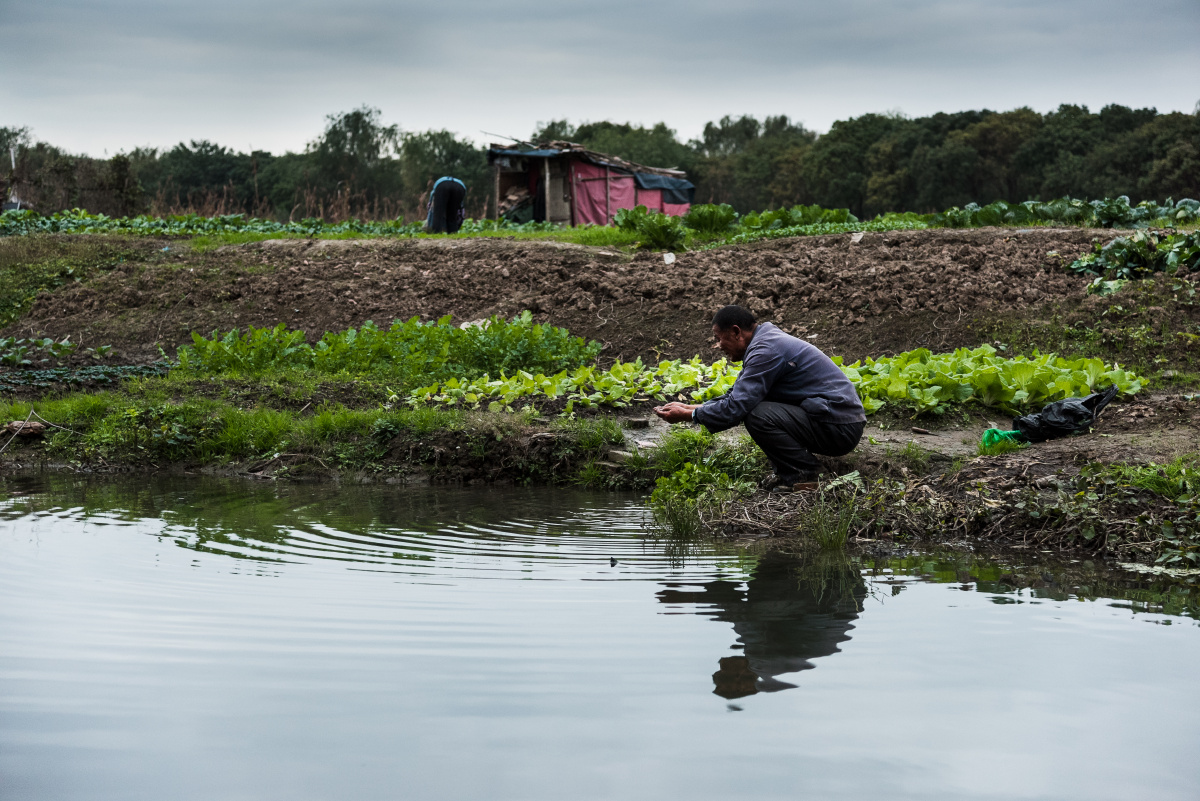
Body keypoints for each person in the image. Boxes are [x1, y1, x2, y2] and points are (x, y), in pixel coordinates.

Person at [653, 305, 866, 489]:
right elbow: (735, 395)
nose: (718, 346)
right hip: (832, 420)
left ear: (736, 332)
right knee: (756, 408)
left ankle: (807, 474)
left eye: (719, 339)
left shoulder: (765, 350)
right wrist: (690, 408)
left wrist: (689, 416)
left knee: (757, 414)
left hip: (839, 426)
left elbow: (736, 408)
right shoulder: (763, 343)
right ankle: (789, 472)